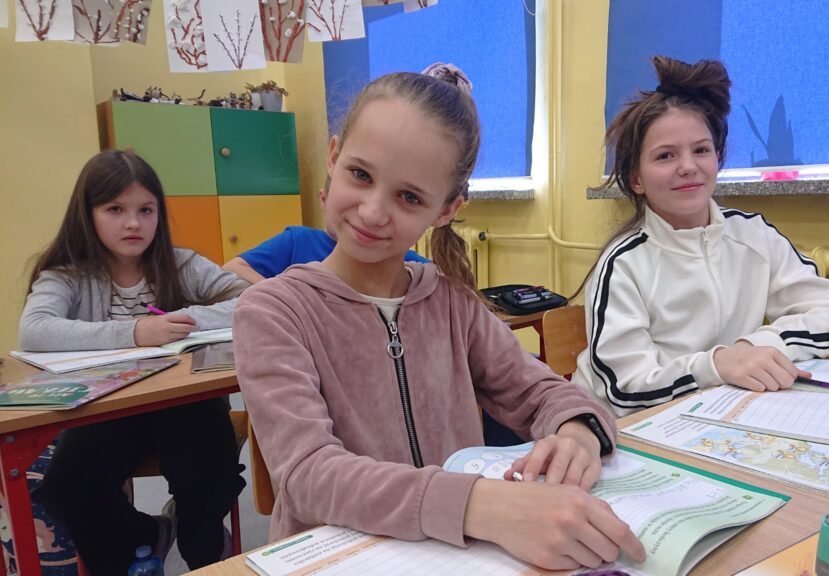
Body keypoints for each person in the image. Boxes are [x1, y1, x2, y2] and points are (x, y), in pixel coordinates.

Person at [234, 63, 646, 571]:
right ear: (334, 158)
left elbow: (543, 391)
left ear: (447, 209)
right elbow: (309, 476)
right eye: (361, 175)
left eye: (409, 197)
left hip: (456, 557)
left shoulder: (453, 306)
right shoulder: (273, 312)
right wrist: (481, 505)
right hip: (341, 558)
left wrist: (578, 430)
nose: (372, 211)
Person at [572, 57, 829, 418]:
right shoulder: (623, 264)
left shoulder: (753, 235)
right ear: (636, 179)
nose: (688, 166)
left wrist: (752, 346)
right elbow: (625, 388)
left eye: (701, 150)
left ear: (717, 157)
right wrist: (717, 364)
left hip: (713, 412)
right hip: (624, 426)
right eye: (665, 156)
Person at [20, 150, 248, 575]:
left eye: (146, 210)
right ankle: (148, 535)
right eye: (115, 210)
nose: (133, 223)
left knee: (205, 476)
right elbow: (35, 330)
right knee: (68, 484)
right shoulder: (67, 275)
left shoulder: (180, 263)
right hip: (109, 413)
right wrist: (135, 331)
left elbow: (251, 301)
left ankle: (205, 552)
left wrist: (184, 321)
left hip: (185, 407)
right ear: (87, 214)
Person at [222, 176, 428, 284]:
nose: (369, 216)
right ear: (324, 199)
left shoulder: (398, 257)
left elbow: (438, 279)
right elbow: (233, 268)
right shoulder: (298, 240)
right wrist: (282, 297)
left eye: (409, 198)